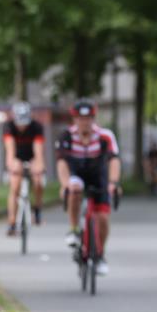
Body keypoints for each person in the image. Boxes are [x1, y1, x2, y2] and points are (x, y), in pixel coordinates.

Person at [55, 99, 121, 275]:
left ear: (94, 118)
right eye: (81, 119)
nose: (85, 122)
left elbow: (114, 160)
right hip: (76, 172)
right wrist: (65, 184)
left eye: (88, 118)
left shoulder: (105, 136)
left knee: (103, 217)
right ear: (74, 119)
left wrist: (113, 183)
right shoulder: (66, 136)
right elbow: (62, 163)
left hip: (98, 174)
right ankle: (74, 229)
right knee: (74, 188)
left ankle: (100, 254)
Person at [3, 101, 45, 236]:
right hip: (17, 157)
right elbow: (10, 149)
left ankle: (37, 209)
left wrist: (39, 163)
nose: (22, 126)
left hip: (32, 157)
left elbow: (38, 150)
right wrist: (12, 163)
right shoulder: (9, 127)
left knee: (38, 182)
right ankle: (12, 222)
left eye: (24, 123)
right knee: (15, 186)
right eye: (19, 123)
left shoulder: (37, 127)